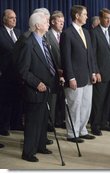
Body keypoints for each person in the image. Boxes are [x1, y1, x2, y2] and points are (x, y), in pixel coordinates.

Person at [16, 12, 59, 162]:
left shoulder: (44, 41)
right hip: (34, 90)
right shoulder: (28, 44)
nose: (48, 23)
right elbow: (23, 71)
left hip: (47, 88)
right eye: (46, 21)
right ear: (37, 25)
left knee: (42, 120)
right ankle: (28, 152)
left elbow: (48, 64)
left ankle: (40, 145)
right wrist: (37, 83)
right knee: (33, 122)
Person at [60, 5, 97, 143]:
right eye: (85, 14)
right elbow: (66, 58)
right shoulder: (67, 33)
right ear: (77, 16)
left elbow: (90, 55)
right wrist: (70, 77)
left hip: (87, 76)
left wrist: (93, 72)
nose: (87, 16)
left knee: (86, 105)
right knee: (74, 105)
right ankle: (72, 133)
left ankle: (82, 130)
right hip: (75, 77)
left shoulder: (86, 32)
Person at [89, 8, 110, 136]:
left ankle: (104, 123)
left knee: (108, 100)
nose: (108, 20)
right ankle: (95, 125)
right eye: (106, 18)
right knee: (98, 101)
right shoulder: (94, 32)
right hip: (100, 73)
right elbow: (92, 55)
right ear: (101, 18)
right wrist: (96, 71)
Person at [0, 9, 22, 136]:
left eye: (15, 17)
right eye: (11, 18)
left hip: (18, 74)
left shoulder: (18, 32)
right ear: (4, 19)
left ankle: (16, 123)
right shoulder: (1, 33)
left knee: (17, 100)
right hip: (4, 74)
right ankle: (3, 126)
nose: (14, 20)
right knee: (5, 102)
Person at [45, 10, 66, 129]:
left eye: (63, 22)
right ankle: (50, 122)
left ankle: (59, 120)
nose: (62, 24)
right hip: (53, 73)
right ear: (52, 22)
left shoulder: (64, 35)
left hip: (64, 73)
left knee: (61, 98)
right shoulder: (47, 35)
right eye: (59, 22)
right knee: (52, 99)